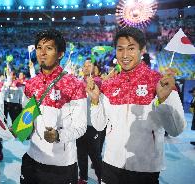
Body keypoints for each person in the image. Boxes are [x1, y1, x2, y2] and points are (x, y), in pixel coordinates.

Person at [88, 27, 186, 184]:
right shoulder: (109, 84)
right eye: (120, 49)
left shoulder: (160, 82)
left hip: (145, 168)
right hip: (111, 164)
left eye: (131, 48)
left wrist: (162, 100)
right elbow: (99, 126)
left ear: (143, 50)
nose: (125, 55)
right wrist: (94, 102)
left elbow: (175, 130)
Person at [20, 29, 87, 184]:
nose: (42, 52)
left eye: (49, 48)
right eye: (39, 48)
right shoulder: (31, 84)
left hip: (61, 165)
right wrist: (20, 128)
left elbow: (81, 127)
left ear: (60, 54)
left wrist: (58, 136)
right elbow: (27, 118)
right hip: (32, 159)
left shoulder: (74, 84)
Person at [77, 59, 106, 184]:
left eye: (90, 65)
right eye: (85, 65)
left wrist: (92, 85)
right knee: (81, 154)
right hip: (80, 126)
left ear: (94, 68)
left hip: (93, 125)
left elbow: (99, 88)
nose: (87, 66)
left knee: (95, 155)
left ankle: (102, 177)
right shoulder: (78, 83)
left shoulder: (98, 81)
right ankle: (83, 178)